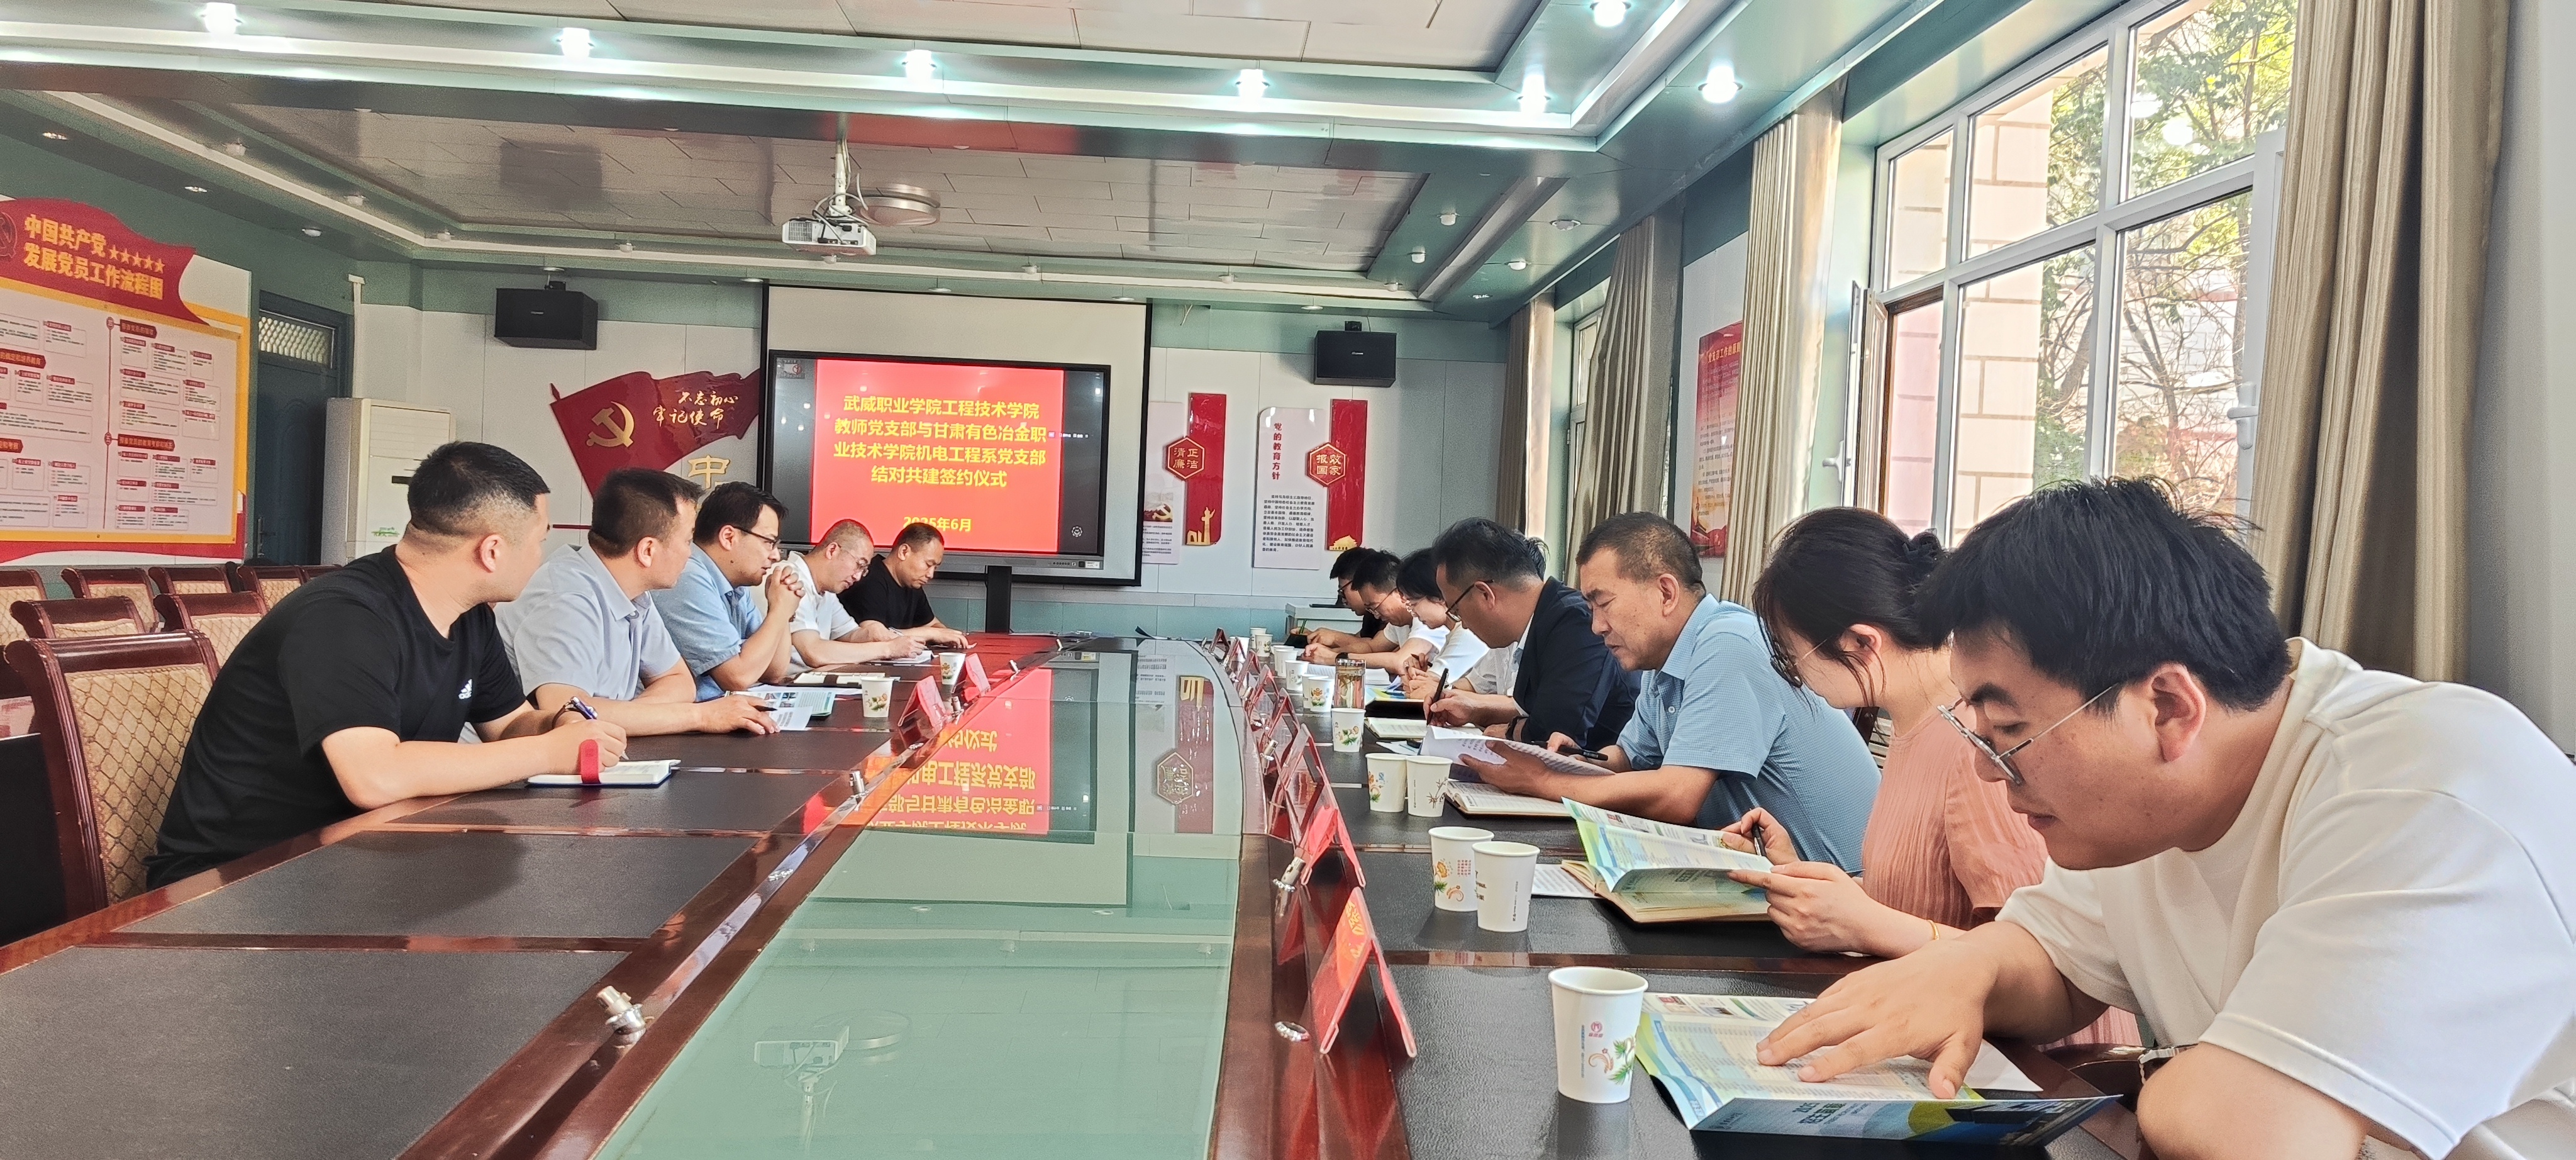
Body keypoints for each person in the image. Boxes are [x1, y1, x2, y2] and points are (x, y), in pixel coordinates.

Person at [1752, 480, 2576, 1160]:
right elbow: (2051, 961)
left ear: (2169, 707)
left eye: (2008, 733)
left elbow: (2242, 1132)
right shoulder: (2145, 808)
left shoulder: (2426, 787)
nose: (1985, 769)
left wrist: (2178, 1083)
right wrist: (1965, 973)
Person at [147, 442, 625, 887]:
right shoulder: (344, 617)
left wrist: (560, 724)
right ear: (493, 550)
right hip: (244, 876)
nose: (542, 556)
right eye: (540, 540)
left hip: (365, 853)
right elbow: (374, 777)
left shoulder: (469, 616)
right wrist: (549, 753)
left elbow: (510, 724)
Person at [1463, 513, 1878, 870]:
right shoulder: (1664, 661)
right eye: (1590, 609)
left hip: (1840, 891)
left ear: (1665, 593)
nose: (1596, 626)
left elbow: (1677, 796)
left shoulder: (1728, 644)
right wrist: (1577, 761)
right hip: (1766, 874)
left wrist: (1542, 780)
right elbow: (1628, 760)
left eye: (1603, 604)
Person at [498, 468, 776, 736]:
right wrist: (701, 717)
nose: (690, 554)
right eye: (687, 541)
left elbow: (679, 682)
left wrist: (629, 717)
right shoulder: (567, 599)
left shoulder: (634, 593)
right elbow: (568, 713)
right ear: (647, 551)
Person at [1423, 517, 1636, 751]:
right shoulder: (1542, 620)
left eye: (1456, 610)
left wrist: (1510, 730)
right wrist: (1475, 711)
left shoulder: (1576, 623)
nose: (1463, 625)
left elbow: (1554, 734)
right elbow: (1536, 712)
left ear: (1485, 594)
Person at [652, 481, 803, 700]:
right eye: (769, 543)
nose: (776, 556)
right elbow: (738, 677)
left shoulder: (736, 583)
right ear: (729, 537)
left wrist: (781, 611)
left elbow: (774, 671)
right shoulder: (688, 575)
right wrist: (780, 611)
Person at [787, 518, 947, 668]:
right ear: (832, 550)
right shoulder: (791, 577)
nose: (858, 577)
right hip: (788, 682)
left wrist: (878, 634)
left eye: (864, 570)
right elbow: (814, 652)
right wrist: (888, 649)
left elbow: (851, 634)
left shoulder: (827, 592)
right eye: (859, 565)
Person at [1307, 548, 1443, 672]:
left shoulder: (1425, 618)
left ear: (1398, 592)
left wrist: (1336, 659)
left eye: (1375, 607)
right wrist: (1328, 653)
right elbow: (1372, 647)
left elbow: (1401, 662)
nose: (1377, 616)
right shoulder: (1399, 622)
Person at [840, 521, 967, 645]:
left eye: (936, 567)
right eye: (928, 564)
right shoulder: (869, 579)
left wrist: (948, 636)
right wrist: (933, 634)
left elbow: (932, 624)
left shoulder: (912, 584)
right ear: (904, 552)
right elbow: (874, 636)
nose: (931, 574)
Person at [1392, 547, 1491, 694]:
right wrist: (1419, 675)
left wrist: (1418, 682)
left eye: (1414, 604)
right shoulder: (1454, 632)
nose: (1414, 613)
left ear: (1438, 596)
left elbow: (1425, 692)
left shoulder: (1467, 633)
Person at [1305, 547, 1401, 659]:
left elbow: (1387, 655)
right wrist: (1324, 648)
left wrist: (1334, 650)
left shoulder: (1397, 616)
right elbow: (1368, 646)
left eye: (1343, 590)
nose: (1343, 599)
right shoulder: (1372, 615)